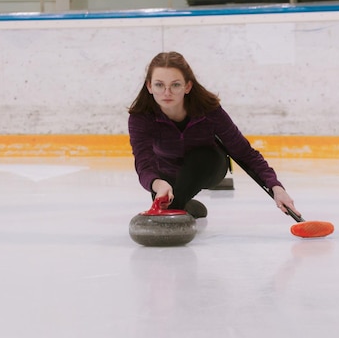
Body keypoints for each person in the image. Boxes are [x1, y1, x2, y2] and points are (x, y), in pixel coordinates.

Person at [128, 51, 300, 219]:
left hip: (208, 166)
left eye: (175, 85)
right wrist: (157, 184)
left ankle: (177, 205)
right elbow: (144, 163)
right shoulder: (141, 117)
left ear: (187, 86)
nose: (167, 92)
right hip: (167, 174)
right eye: (159, 85)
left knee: (201, 157)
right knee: (166, 196)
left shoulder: (209, 111)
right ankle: (184, 205)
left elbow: (245, 153)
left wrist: (276, 187)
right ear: (149, 86)